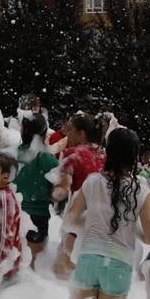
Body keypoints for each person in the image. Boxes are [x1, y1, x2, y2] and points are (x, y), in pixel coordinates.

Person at [63, 127, 150, 299]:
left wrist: (91, 222)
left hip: (88, 265)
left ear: (110, 152)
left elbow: (69, 219)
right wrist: (131, 228)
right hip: (116, 271)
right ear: (133, 156)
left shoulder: (93, 182)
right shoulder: (141, 190)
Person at [52, 113, 106, 278]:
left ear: (81, 134)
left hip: (78, 216)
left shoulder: (73, 154)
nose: (68, 135)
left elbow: (61, 192)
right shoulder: (104, 155)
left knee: (61, 270)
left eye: (71, 130)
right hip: (101, 219)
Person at [14, 114, 58, 267]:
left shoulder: (13, 155)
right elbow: (60, 181)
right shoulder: (46, 159)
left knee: (16, 262)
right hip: (38, 215)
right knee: (35, 267)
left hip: (16, 214)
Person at [0, 152, 23, 288]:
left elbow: (5, 236)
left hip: (5, 267)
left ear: (6, 176)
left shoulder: (3, 198)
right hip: (0, 261)